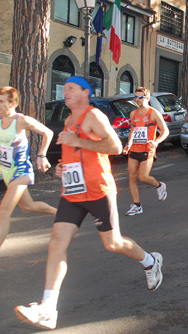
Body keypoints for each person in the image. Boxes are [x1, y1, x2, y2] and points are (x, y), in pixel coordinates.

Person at [14, 76, 163, 330]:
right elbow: (77, 152)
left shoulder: (93, 115)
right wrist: (64, 165)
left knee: (113, 243)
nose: (66, 91)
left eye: (71, 88)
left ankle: (150, 261)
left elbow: (114, 146)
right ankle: (48, 307)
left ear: (86, 92)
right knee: (56, 244)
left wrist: (77, 142)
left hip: (97, 190)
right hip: (72, 191)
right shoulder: (69, 120)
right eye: (65, 88)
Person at [0, 86, 56, 270]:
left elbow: (47, 133)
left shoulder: (21, 121)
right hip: (7, 173)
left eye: (1, 101)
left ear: (12, 103)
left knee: (3, 213)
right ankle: (60, 214)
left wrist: (42, 155)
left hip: (21, 172)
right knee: (28, 207)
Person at [124, 87, 169, 216]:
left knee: (143, 177)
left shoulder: (154, 113)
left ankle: (159, 185)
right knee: (131, 177)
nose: (137, 99)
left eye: (140, 97)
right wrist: (129, 144)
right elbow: (133, 131)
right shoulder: (133, 114)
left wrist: (156, 142)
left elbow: (165, 131)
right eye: (136, 97)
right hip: (134, 149)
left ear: (147, 98)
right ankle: (137, 205)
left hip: (148, 149)